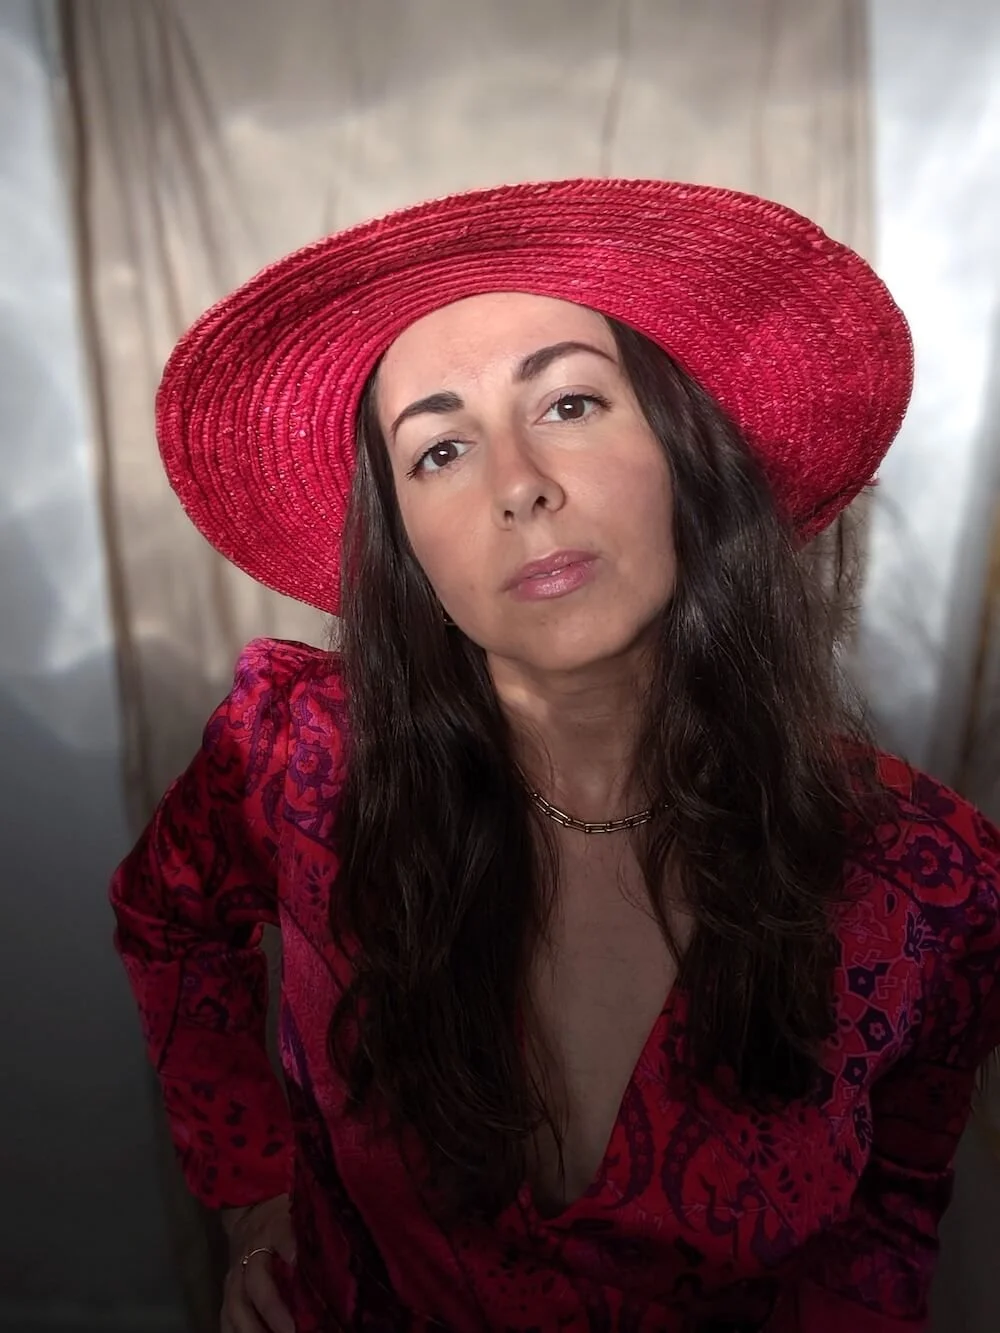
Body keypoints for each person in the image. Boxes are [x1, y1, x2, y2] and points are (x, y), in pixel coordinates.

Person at [111, 178, 1000, 1333]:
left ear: (686, 451)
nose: (519, 484)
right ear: (402, 547)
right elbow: (166, 917)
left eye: (570, 402)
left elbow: (893, 1208)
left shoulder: (931, 878)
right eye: (439, 450)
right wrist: (253, 1190)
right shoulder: (298, 758)